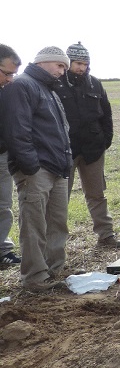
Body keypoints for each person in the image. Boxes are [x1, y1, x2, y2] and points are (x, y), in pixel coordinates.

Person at [1, 47, 72, 291]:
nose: (63, 71)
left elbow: (61, 131)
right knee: (34, 225)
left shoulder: (50, 90)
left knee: (57, 223)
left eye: (65, 67)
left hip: (57, 167)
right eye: (59, 66)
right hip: (37, 170)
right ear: (43, 62)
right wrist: (31, 166)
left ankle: (55, 270)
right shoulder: (22, 86)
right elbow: (17, 131)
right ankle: (35, 276)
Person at [53, 42, 120, 248]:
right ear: (67, 63)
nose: (81, 68)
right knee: (59, 199)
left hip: (93, 149)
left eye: (85, 63)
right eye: (77, 63)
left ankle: (106, 235)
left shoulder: (95, 84)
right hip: (65, 150)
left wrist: (106, 139)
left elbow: (106, 114)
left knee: (97, 194)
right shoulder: (55, 84)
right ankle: (56, 245)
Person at [0, 44, 23, 266]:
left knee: (3, 204)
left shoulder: (7, 92)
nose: (9, 79)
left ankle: (2, 251)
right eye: (7, 73)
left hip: (2, 156)